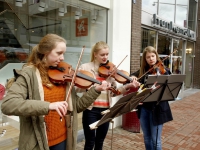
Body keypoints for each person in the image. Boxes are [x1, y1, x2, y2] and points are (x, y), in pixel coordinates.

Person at [1, 34, 110, 150]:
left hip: (62, 139)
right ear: (45, 52)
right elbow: (8, 104)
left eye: (63, 53)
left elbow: (77, 106)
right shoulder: (29, 74)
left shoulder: (64, 76)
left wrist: (96, 90)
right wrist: (49, 106)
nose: (62, 58)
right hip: (38, 142)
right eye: (59, 53)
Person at [76, 41, 140, 150]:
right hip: (90, 110)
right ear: (95, 54)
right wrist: (93, 86)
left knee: (100, 141)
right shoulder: (85, 68)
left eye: (107, 54)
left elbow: (115, 92)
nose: (105, 57)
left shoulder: (110, 70)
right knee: (90, 142)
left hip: (106, 111)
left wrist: (129, 85)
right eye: (102, 55)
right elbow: (77, 88)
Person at [130, 46, 173, 150]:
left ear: (156, 56)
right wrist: (132, 77)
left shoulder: (163, 70)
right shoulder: (142, 71)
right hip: (144, 108)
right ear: (145, 59)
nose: (151, 59)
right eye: (148, 57)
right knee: (147, 138)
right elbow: (131, 76)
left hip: (158, 109)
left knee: (156, 140)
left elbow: (169, 79)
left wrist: (162, 73)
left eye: (153, 56)